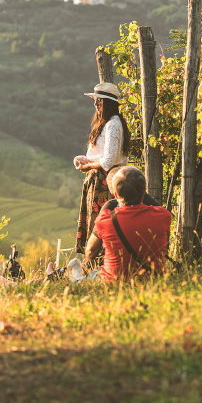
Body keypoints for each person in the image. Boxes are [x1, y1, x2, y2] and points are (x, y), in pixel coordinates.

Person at [74, 82, 131, 254]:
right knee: (97, 223)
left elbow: (108, 161)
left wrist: (89, 165)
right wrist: (85, 159)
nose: (95, 104)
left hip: (105, 182)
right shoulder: (108, 122)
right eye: (95, 100)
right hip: (99, 178)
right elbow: (102, 155)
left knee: (99, 225)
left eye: (99, 101)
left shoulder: (112, 124)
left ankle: (97, 262)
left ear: (108, 103)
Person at [93, 166, 171, 282]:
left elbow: (90, 250)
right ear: (145, 191)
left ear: (115, 194)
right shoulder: (164, 216)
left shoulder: (104, 219)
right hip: (153, 281)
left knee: (84, 275)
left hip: (114, 283)